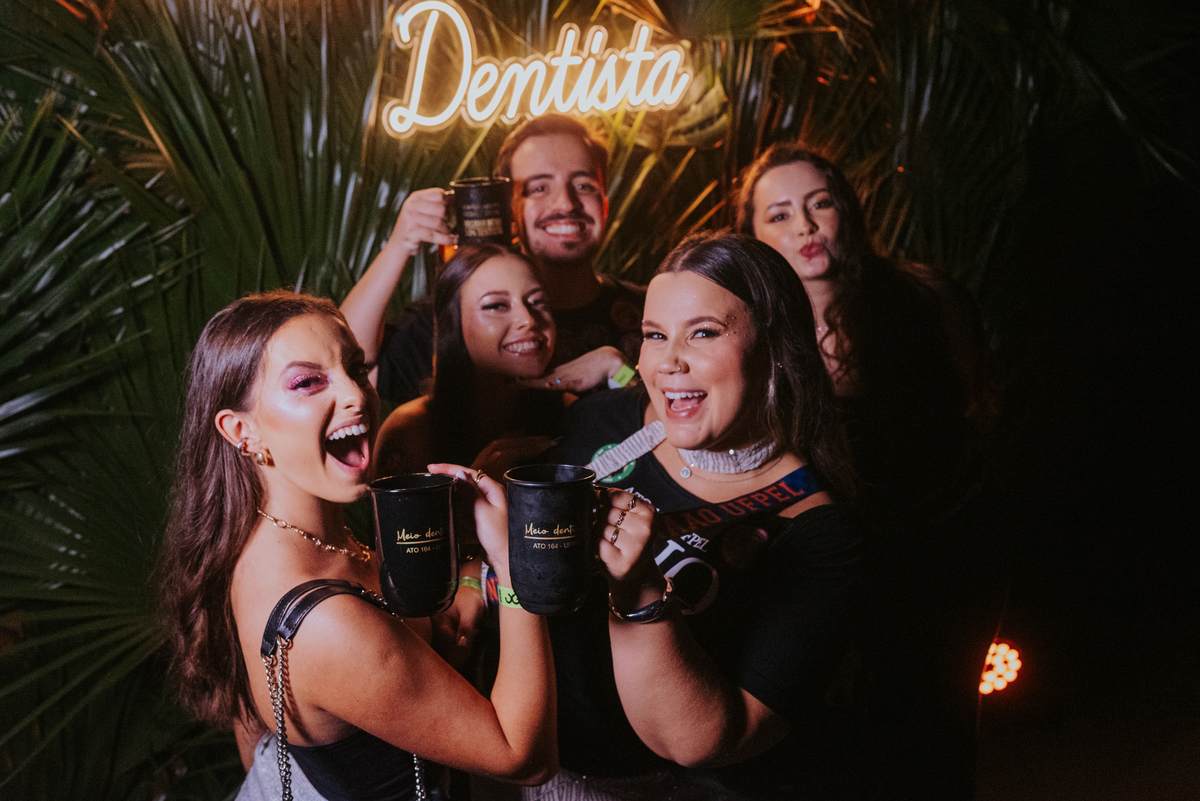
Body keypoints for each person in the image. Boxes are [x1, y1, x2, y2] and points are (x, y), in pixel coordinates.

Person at [155, 290, 561, 800]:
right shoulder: (324, 622)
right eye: (307, 382)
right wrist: (515, 564)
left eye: (355, 368)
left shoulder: (253, 541)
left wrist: (460, 593)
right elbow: (525, 759)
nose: (356, 395)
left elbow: (257, 740)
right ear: (242, 430)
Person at [545, 232, 863, 799]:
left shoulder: (815, 529)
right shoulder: (602, 421)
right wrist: (474, 571)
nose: (669, 361)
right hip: (544, 773)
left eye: (703, 333)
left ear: (774, 347)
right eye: (655, 335)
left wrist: (640, 589)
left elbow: (706, 740)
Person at [737, 143, 999, 798]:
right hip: (832, 569)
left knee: (941, 737)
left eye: (819, 203)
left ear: (846, 211)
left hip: (942, 558)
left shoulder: (924, 297)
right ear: (754, 235)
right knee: (844, 752)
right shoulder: (755, 337)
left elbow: (976, 409)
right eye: (779, 214)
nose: (805, 226)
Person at [341, 114, 644, 404]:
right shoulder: (463, 318)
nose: (566, 203)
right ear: (509, 211)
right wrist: (399, 246)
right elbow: (345, 364)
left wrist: (620, 371)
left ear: (604, 205)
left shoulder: (649, 310)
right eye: (539, 187)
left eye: (583, 185)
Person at [373, 244, 565, 478]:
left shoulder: (571, 409)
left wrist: (610, 367)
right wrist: (475, 486)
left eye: (538, 302)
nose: (528, 319)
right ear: (452, 323)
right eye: (496, 305)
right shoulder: (411, 429)